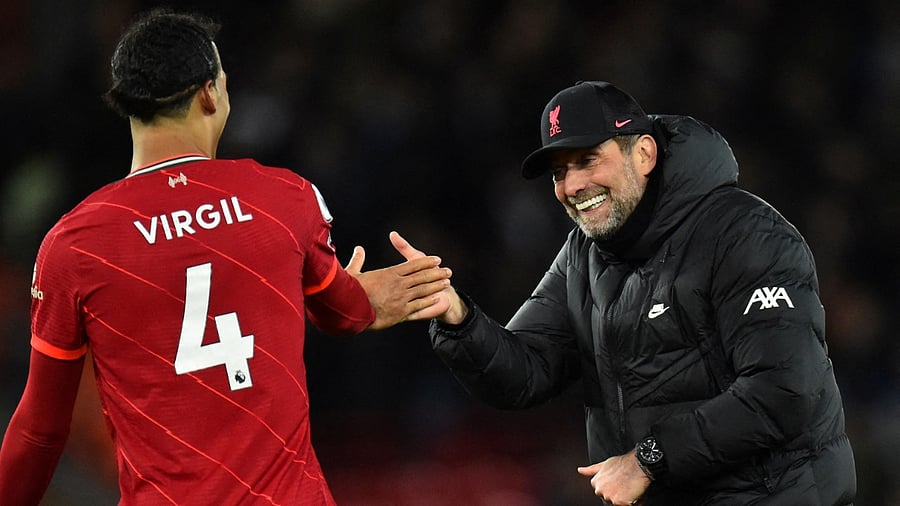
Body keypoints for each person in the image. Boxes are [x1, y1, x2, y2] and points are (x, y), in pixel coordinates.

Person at [0, 9, 451, 505]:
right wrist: (366, 303)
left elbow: (40, 430)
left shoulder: (75, 246)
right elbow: (341, 310)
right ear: (209, 94)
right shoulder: (284, 198)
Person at [394, 81, 857, 505]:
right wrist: (459, 318)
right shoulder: (585, 255)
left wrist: (649, 459)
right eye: (559, 172)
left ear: (645, 154)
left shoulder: (744, 234)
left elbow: (784, 390)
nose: (571, 186)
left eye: (587, 159)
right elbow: (526, 370)